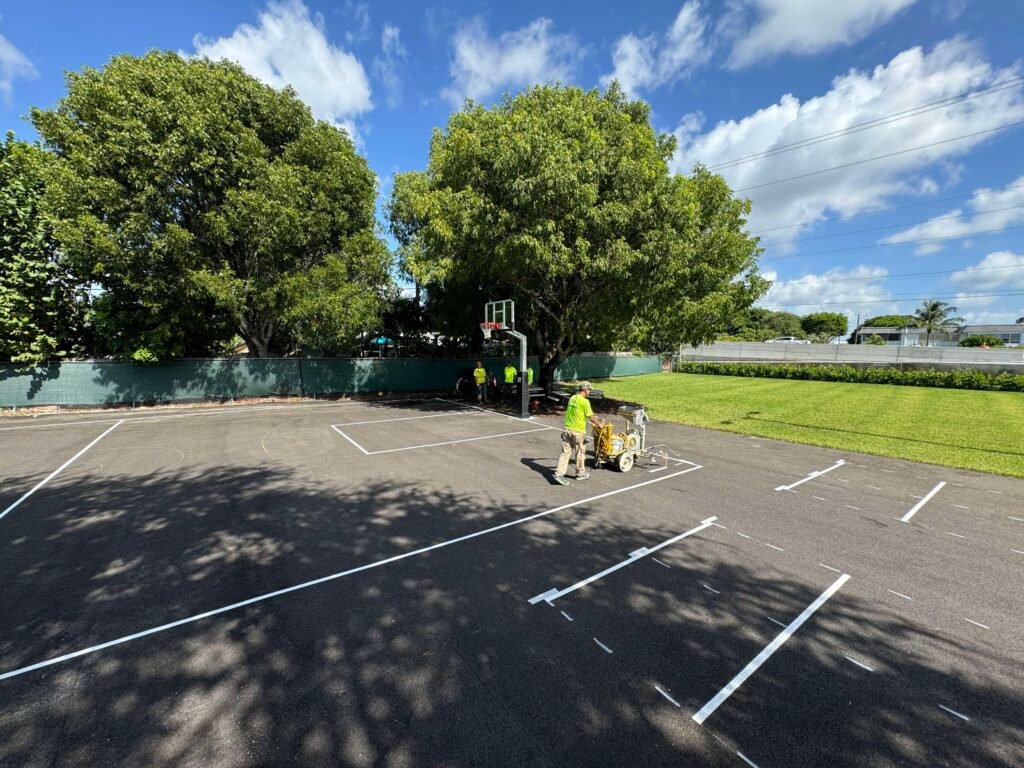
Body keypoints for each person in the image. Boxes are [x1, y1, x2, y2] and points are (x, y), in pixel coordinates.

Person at [554, 381, 603, 485]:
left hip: (567, 430)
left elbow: (578, 413)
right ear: (585, 390)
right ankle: (580, 473)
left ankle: (559, 474)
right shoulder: (585, 402)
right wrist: (600, 424)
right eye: (589, 390)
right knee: (580, 453)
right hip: (578, 432)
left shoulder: (572, 398)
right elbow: (591, 417)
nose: (590, 391)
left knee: (565, 453)